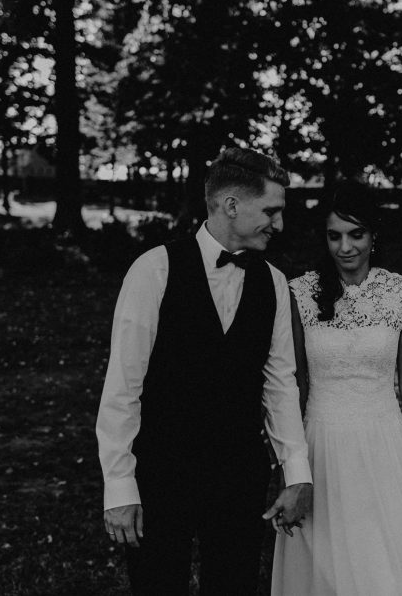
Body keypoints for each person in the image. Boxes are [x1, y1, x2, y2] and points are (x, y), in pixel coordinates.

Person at [95, 147, 313, 595]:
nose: (280, 224)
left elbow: (279, 384)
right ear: (231, 204)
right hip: (162, 471)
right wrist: (119, 486)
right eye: (271, 211)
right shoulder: (153, 269)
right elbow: (123, 386)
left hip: (239, 474)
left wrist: (296, 473)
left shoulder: (272, 281)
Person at [271, 181, 402, 596]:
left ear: (375, 235)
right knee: (322, 570)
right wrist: (287, 466)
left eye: (356, 234)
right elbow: (292, 384)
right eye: (334, 236)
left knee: (382, 567)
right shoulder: (300, 293)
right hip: (320, 444)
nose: (345, 247)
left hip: (382, 445)